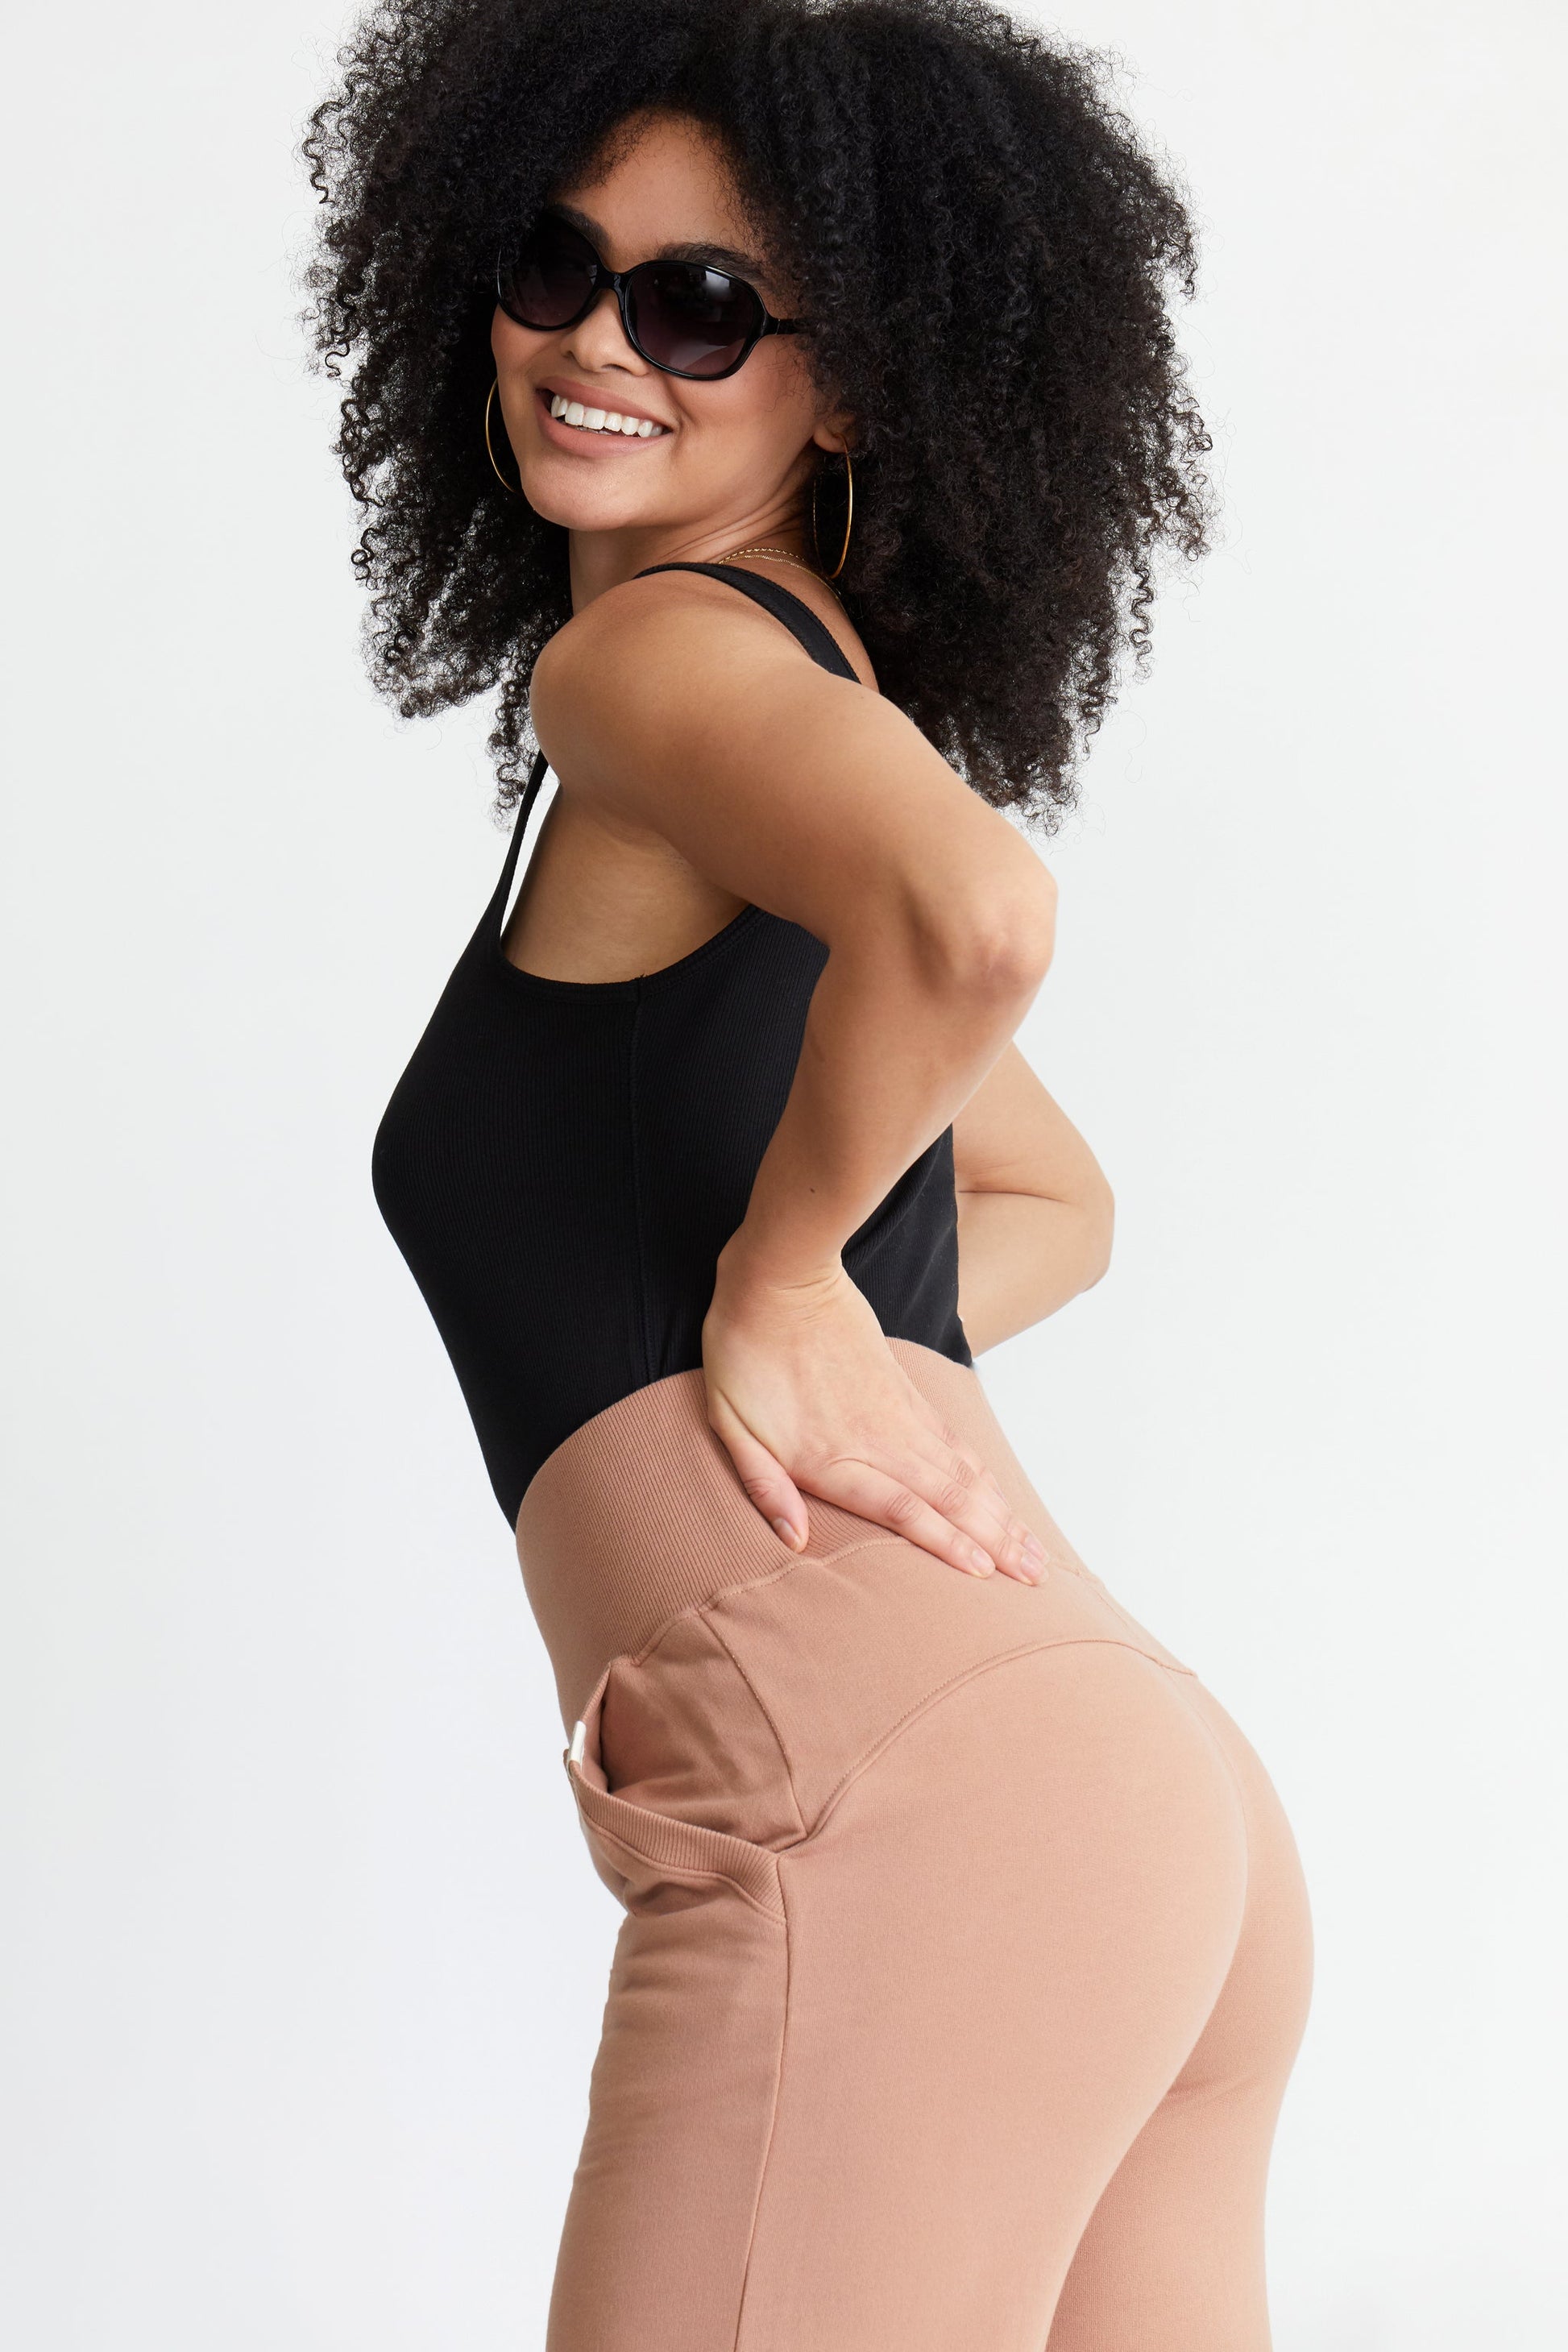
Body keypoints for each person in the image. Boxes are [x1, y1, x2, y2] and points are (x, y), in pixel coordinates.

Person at [304, 2, 1313, 2343]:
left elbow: (974, 922)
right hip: (1130, 1798)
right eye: (554, 264)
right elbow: (1044, 1202)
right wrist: (851, 1310)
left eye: (700, 303)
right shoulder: (805, 711)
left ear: (848, 383)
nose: (593, 341)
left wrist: (775, 1291)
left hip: (917, 1803)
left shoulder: (641, 675)